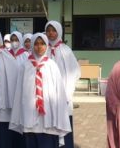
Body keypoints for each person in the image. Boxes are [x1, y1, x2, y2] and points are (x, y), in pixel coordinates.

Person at [10, 33, 72, 148]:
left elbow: (59, 92)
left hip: (49, 117)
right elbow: (19, 92)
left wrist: (60, 114)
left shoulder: (52, 65)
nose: (39, 47)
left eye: (42, 44)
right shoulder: (25, 66)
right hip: (29, 115)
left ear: (46, 45)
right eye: (36, 44)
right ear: (32, 45)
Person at [46, 20, 81, 148]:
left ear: (59, 32)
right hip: (47, 96)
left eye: (53, 30)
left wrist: (67, 93)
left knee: (64, 126)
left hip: (63, 95)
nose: (51, 33)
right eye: (48, 30)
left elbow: (75, 72)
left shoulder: (66, 50)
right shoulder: (43, 49)